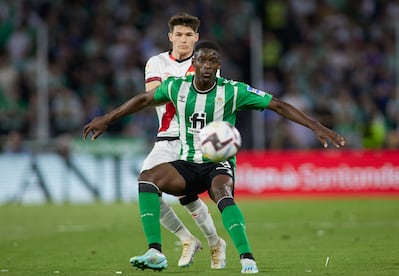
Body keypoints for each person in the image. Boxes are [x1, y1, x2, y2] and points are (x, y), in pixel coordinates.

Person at [83, 41, 346, 273]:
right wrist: (107, 118)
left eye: (212, 61)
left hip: (217, 164)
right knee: (147, 179)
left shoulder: (233, 91)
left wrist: (315, 126)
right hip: (186, 163)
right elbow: (142, 100)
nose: (207, 65)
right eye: (202, 60)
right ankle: (155, 251)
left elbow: (277, 104)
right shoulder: (176, 87)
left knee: (222, 193)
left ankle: (247, 257)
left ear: (219, 64)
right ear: (194, 63)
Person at [138, 13, 226, 269]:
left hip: (197, 139)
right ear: (170, 37)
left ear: (196, 38)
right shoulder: (156, 62)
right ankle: (182, 240)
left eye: (189, 35)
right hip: (166, 138)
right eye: (179, 35)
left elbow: (212, 99)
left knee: (187, 195)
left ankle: (213, 241)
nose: (183, 40)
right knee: (147, 183)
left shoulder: (207, 62)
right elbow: (153, 97)